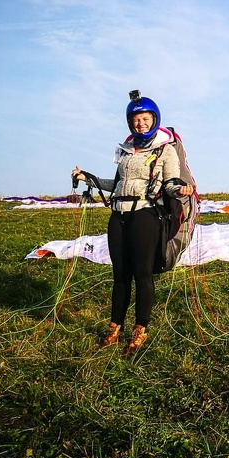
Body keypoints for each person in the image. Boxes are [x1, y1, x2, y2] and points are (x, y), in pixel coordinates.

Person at [72, 92, 194, 354]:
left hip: (145, 216)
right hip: (118, 217)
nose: (140, 124)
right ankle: (115, 326)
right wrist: (88, 178)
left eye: (145, 119)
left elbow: (171, 183)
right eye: (136, 120)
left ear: (154, 120)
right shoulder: (126, 152)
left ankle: (140, 329)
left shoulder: (165, 150)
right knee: (120, 275)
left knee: (142, 274)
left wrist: (180, 190)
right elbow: (115, 185)